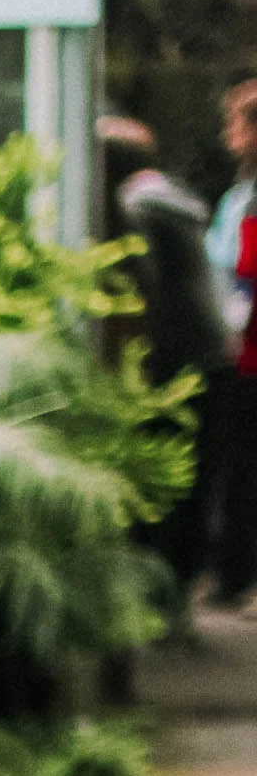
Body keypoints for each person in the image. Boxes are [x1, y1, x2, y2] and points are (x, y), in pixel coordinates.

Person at [98, 116, 236, 609]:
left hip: (177, 359)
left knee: (166, 480)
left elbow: (144, 287)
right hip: (213, 353)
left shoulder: (136, 208)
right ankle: (178, 591)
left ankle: (162, 594)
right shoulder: (174, 200)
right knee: (193, 478)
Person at [202, 82, 257, 607]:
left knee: (242, 463)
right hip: (240, 347)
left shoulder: (249, 201)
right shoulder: (239, 197)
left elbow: (240, 272)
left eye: (236, 126)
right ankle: (236, 575)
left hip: (247, 350)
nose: (228, 137)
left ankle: (239, 576)